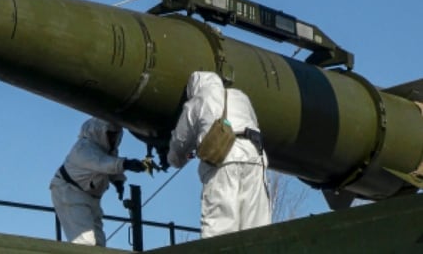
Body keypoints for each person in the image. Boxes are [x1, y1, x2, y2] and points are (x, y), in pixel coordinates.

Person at [167, 71, 271, 238]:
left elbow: (180, 142)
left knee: (220, 227)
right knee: (257, 226)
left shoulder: (197, 101)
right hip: (254, 158)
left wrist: (173, 160)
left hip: (222, 160)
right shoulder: (241, 96)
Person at [50, 117, 146, 246]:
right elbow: (103, 163)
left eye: (115, 135)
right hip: (70, 193)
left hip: (91, 198)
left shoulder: (106, 150)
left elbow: (110, 162)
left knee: (99, 244)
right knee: (85, 242)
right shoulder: (84, 149)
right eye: (110, 135)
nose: (113, 139)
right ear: (99, 131)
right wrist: (127, 163)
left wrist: (118, 181)